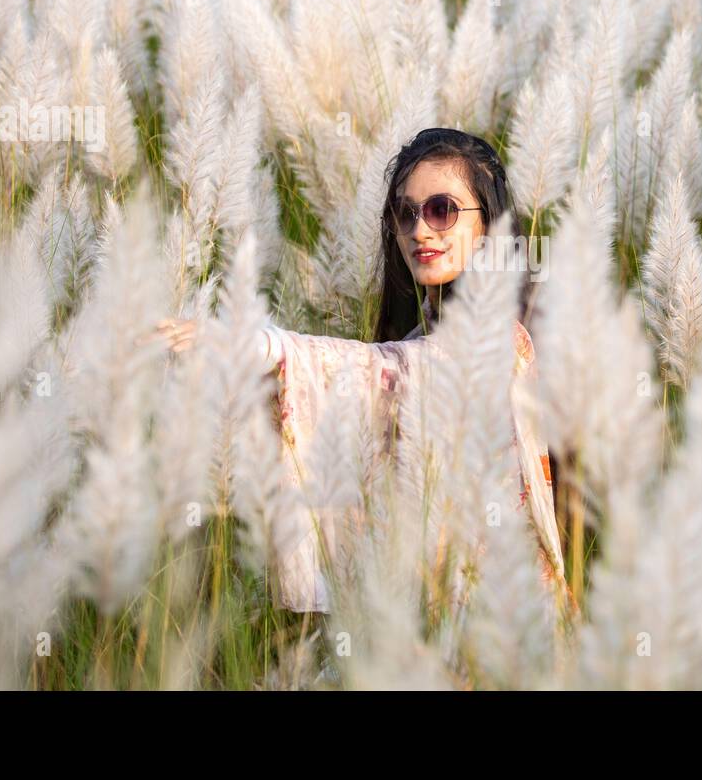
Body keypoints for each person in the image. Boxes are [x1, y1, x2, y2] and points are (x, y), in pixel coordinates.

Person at [155, 128, 569, 615]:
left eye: (441, 209)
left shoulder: (501, 339)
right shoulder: (422, 338)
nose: (420, 229)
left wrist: (266, 344)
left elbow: (388, 370)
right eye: (405, 212)